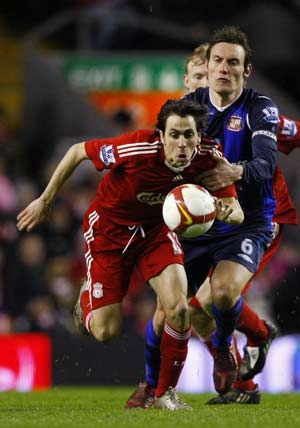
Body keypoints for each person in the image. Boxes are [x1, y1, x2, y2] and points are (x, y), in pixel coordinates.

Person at [17, 98, 244, 411]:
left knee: (178, 308)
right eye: (174, 135)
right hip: (110, 231)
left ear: (198, 136)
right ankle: (87, 299)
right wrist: (45, 200)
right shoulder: (135, 148)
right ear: (160, 135)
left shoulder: (208, 157)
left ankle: (165, 393)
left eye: (188, 135)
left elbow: (237, 214)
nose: (181, 144)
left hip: (155, 232)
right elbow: (77, 152)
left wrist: (218, 209)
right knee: (105, 331)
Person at [126, 25, 298, 408]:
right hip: (199, 220)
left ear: (245, 69)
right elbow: (164, 161)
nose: (221, 69)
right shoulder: (188, 112)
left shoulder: (261, 108)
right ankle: (152, 387)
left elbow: (267, 163)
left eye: (231, 62)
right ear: (199, 72)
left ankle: (226, 348)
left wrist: (233, 172)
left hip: (250, 219)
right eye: (215, 62)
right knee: (172, 308)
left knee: (219, 293)